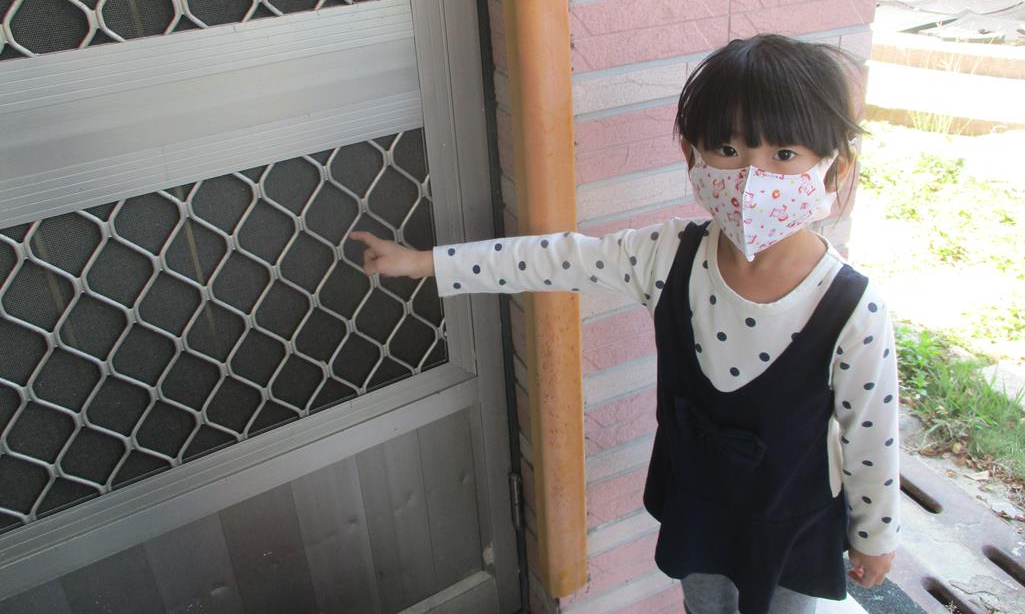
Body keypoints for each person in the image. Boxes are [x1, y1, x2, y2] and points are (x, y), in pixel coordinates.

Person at [352, 34, 899, 614]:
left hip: (792, 521)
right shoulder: (667, 257)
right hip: (699, 507)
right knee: (704, 606)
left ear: (834, 169)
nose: (751, 178)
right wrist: (426, 263)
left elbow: (871, 433)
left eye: (784, 155)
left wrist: (874, 535)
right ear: (692, 156)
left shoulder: (852, 308)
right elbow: (555, 258)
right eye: (728, 149)